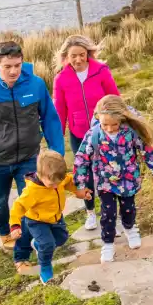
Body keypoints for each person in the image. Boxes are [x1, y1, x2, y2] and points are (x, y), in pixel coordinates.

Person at [0, 40, 64, 249]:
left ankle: (25, 246)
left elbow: (50, 119)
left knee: (29, 202)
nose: (13, 71)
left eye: (17, 65)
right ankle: (3, 232)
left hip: (29, 159)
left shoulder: (36, 85)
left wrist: (57, 154)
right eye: (7, 66)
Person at [74, 95, 153, 260]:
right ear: (98, 118)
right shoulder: (94, 134)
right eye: (104, 124)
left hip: (128, 179)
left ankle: (129, 227)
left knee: (128, 209)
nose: (109, 128)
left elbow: (146, 150)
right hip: (104, 181)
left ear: (122, 119)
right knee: (108, 213)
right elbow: (81, 159)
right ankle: (107, 244)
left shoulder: (130, 132)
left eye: (114, 124)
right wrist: (80, 185)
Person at [52, 35, 120, 232]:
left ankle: (112, 216)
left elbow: (114, 98)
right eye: (74, 56)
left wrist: (121, 124)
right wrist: (58, 142)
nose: (78, 60)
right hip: (79, 133)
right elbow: (60, 110)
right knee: (84, 173)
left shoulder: (101, 71)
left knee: (110, 171)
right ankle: (90, 212)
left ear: (88, 53)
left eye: (82, 55)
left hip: (105, 130)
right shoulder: (61, 79)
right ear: (66, 56)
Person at [9, 150, 86, 283]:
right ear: (40, 175)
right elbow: (19, 206)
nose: (55, 186)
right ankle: (45, 267)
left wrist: (78, 191)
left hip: (56, 218)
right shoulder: (32, 191)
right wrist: (15, 225)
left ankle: (38, 245)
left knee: (61, 239)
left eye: (58, 182)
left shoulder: (57, 179)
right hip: (37, 221)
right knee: (48, 244)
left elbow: (68, 181)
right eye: (52, 184)